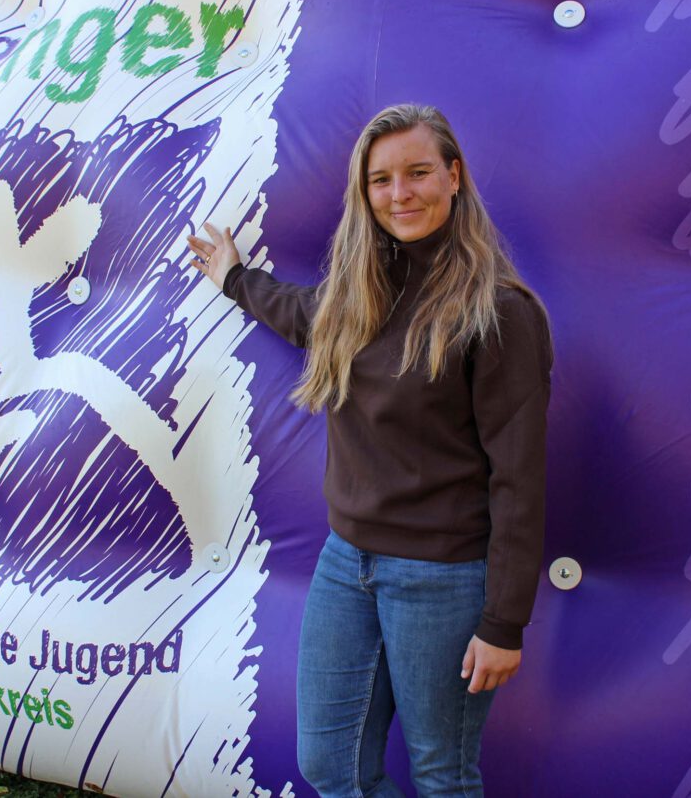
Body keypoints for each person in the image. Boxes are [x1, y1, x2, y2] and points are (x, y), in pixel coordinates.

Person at [186, 103, 552, 797]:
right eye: (381, 180)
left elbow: (519, 480)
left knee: (443, 773)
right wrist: (236, 279)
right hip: (345, 564)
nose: (400, 193)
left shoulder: (499, 311)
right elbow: (301, 315)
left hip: (444, 579)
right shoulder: (360, 297)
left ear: (454, 176)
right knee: (332, 766)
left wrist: (505, 623)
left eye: (417, 173)